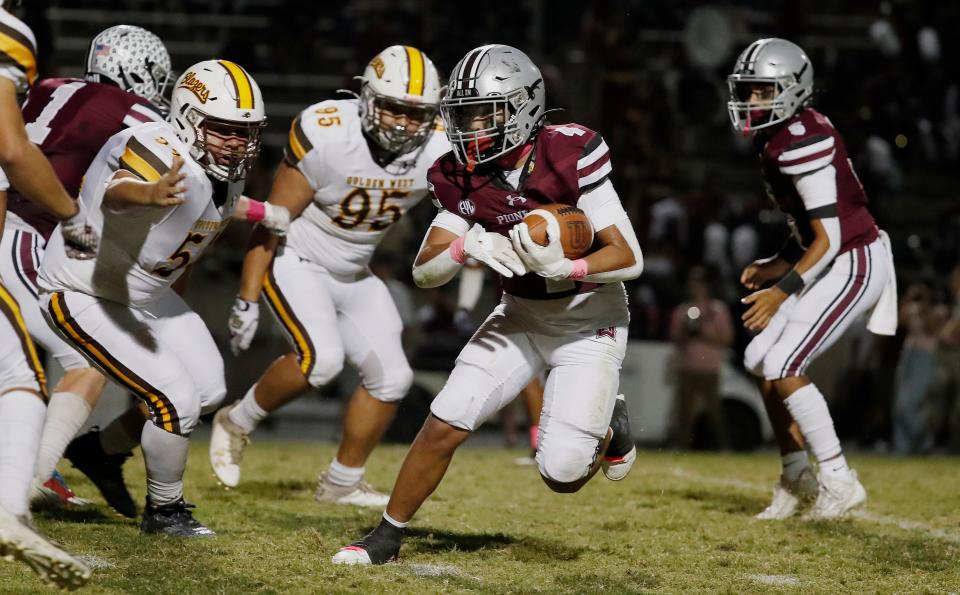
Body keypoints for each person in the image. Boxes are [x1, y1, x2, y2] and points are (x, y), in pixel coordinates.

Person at [333, 44, 644, 565]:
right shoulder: (457, 173)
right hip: (519, 316)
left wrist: (567, 267)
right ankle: (386, 534)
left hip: (589, 322)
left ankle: (611, 427)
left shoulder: (570, 151)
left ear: (523, 107)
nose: (470, 126)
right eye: (463, 114)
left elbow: (629, 256)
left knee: (563, 474)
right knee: (445, 419)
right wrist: (463, 246)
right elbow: (424, 270)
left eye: (483, 113)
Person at [38, 59, 283, 536]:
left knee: (209, 390)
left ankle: (100, 450)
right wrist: (149, 194)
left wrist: (264, 212)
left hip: (146, 293)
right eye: (224, 129)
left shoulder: (220, 171)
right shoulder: (154, 146)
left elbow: (215, 202)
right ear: (189, 119)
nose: (237, 142)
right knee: (176, 399)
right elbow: (118, 192)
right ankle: (165, 511)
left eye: (246, 132)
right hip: (86, 290)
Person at [208, 45, 448, 508]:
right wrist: (247, 297)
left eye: (415, 112)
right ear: (367, 99)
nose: (402, 122)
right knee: (321, 360)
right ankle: (236, 420)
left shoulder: (441, 147)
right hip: (298, 259)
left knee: (393, 377)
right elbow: (274, 219)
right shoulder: (328, 134)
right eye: (394, 107)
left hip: (357, 271)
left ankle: (341, 483)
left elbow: (467, 208)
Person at [0, 24, 173, 514]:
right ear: (140, 73)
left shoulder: (46, 86)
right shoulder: (134, 113)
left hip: (14, 223)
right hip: (26, 229)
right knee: (89, 351)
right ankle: (34, 470)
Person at [728, 38, 897, 520]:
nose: (752, 101)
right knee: (761, 359)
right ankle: (795, 472)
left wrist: (782, 291)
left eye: (762, 91)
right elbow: (807, 227)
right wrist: (778, 261)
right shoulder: (778, 136)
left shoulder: (801, 137)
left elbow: (829, 236)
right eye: (748, 90)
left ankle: (840, 481)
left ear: (789, 88)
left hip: (855, 259)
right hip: (834, 255)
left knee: (782, 361)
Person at [0, 0, 97, 588]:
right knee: (19, 378)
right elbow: (13, 149)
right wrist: (69, 213)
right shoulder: (8, 34)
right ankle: (9, 510)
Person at [668, 266, 733, 449]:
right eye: (693, 283)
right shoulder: (683, 310)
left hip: (710, 369)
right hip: (687, 367)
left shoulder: (717, 310)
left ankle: (723, 447)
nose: (696, 287)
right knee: (683, 412)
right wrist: (686, 330)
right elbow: (674, 338)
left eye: (700, 283)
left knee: (715, 412)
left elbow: (726, 339)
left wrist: (700, 333)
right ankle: (681, 447)